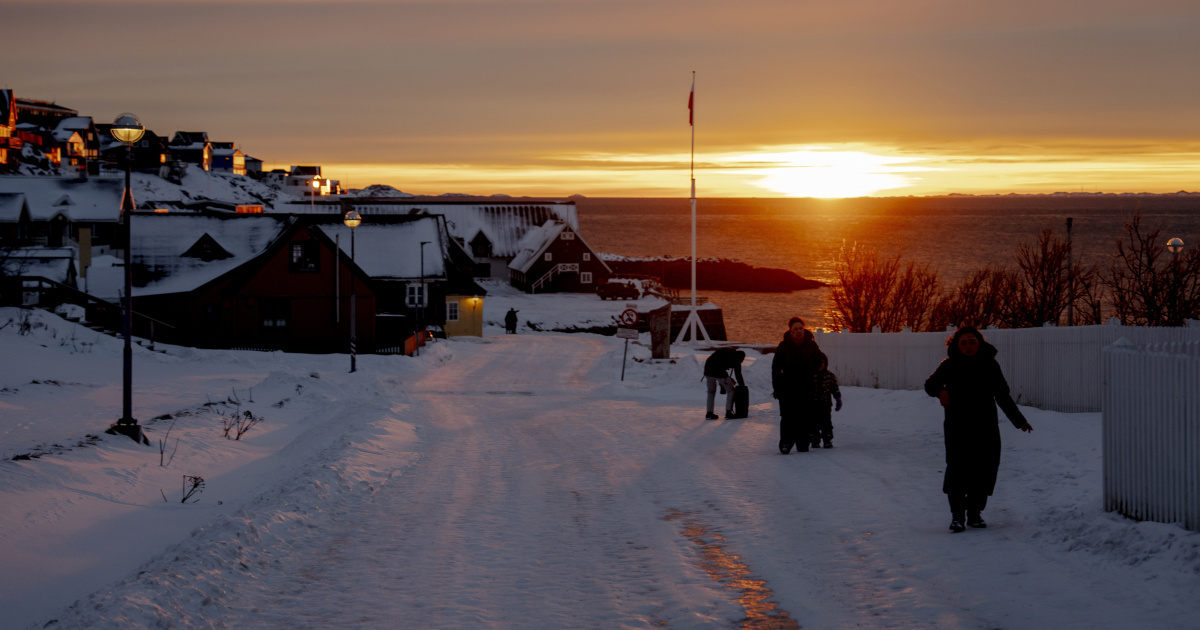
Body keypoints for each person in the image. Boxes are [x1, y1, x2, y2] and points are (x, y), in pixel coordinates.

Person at [924, 326, 1033, 533]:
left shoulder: (990, 365)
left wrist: (1019, 420)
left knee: (984, 470)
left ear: (980, 342)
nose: (968, 346)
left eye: (972, 342)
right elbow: (930, 385)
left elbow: (1002, 395)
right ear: (956, 345)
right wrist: (941, 390)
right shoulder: (949, 365)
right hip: (957, 427)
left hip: (986, 426)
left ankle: (974, 513)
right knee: (957, 470)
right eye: (963, 343)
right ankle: (957, 517)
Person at [771, 316, 823, 453]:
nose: (799, 331)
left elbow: (820, 361)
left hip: (806, 386)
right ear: (791, 331)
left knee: (804, 415)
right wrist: (777, 387)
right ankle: (786, 443)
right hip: (787, 386)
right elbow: (776, 368)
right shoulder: (784, 346)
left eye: (801, 328)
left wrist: (812, 372)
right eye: (796, 329)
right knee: (787, 416)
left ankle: (803, 443)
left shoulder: (811, 345)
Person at [809, 353, 842, 449]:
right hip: (812, 403)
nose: (821, 365)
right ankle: (815, 439)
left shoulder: (829, 375)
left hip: (825, 403)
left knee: (826, 422)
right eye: (819, 363)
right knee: (813, 422)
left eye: (823, 362)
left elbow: (834, 388)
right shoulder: (810, 375)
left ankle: (827, 439)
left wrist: (838, 398)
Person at [703, 348, 746, 420]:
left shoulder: (728, 352)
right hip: (718, 370)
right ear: (741, 357)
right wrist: (742, 387)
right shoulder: (737, 358)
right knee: (731, 390)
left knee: (711, 391)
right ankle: (729, 412)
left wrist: (726, 381)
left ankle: (709, 413)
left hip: (708, 369)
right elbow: (738, 374)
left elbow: (720, 361)